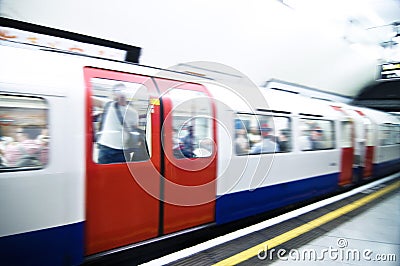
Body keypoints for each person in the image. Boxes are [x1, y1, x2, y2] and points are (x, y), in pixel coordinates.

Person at [96, 83, 140, 164]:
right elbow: (90, 99)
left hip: (122, 151)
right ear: (114, 94)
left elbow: (134, 130)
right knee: (103, 175)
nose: (121, 93)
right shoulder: (108, 105)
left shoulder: (133, 112)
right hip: (106, 148)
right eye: (118, 91)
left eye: (123, 91)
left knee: (120, 175)